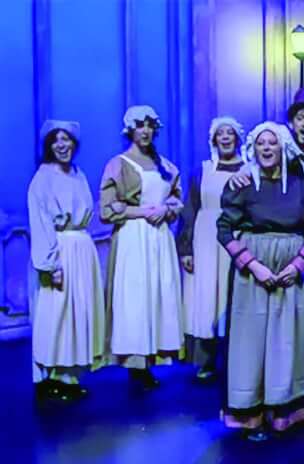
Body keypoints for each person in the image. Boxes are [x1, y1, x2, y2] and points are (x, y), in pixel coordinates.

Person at [218, 121, 304, 440]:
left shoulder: (301, 185)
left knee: (287, 339)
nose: (266, 148)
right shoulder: (242, 184)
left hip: (289, 270)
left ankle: (283, 411)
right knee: (251, 341)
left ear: (283, 148)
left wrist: (298, 264)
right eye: (261, 143)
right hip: (254, 271)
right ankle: (251, 413)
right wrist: (254, 266)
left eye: (272, 143)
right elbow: (224, 229)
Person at [100, 105, 184, 390]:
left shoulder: (166, 166)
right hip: (133, 238)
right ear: (130, 130)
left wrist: (166, 210)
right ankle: (135, 361)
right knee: (134, 297)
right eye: (140, 125)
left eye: (149, 125)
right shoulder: (118, 165)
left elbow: (177, 199)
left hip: (159, 238)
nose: (145, 131)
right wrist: (143, 212)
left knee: (158, 293)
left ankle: (150, 358)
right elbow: (107, 209)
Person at [28, 120, 106, 401]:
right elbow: (41, 223)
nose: (62, 145)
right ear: (49, 146)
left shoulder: (78, 174)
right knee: (56, 313)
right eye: (56, 140)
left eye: (67, 139)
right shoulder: (43, 178)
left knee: (78, 311)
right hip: (59, 250)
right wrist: (51, 265)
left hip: (81, 248)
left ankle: (69, 374)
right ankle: (51, 375)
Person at [177, 116, 245, 382]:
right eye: (220, 134)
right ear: (214, 139)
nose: (225, 137)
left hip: (235, 238)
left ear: (237, 138)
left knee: (232, 295)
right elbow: (190, 210)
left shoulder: (249, 170)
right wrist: (186, 249)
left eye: (230, 133)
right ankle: (206, 361)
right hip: (205, 239)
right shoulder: (202, 171)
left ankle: (234, 361)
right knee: (206, 297)